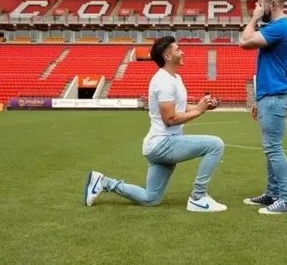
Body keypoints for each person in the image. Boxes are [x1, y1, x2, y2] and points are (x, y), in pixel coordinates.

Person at [84, 36, 227, 212]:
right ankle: (198, 197)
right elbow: (170, 119)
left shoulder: (174, 78)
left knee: (150, 199)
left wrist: (202, 106)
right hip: (163, 144)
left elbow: (179, 108)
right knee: (215, 145)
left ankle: (104, 182)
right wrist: (198, 111)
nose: (182, 52)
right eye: (177, 49)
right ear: (167, 56)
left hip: (160, 145)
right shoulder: (164, 81)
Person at [239, 0, 287, 214]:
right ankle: (273, 193)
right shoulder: (276, 28)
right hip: (269, 95)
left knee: (273, 148)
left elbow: (243, 42)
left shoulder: (280, 27)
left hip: (275, 96)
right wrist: (258, 99)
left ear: (273, 5)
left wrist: (253, 18)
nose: (257, 9)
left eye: (260, 4)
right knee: (270, 148)